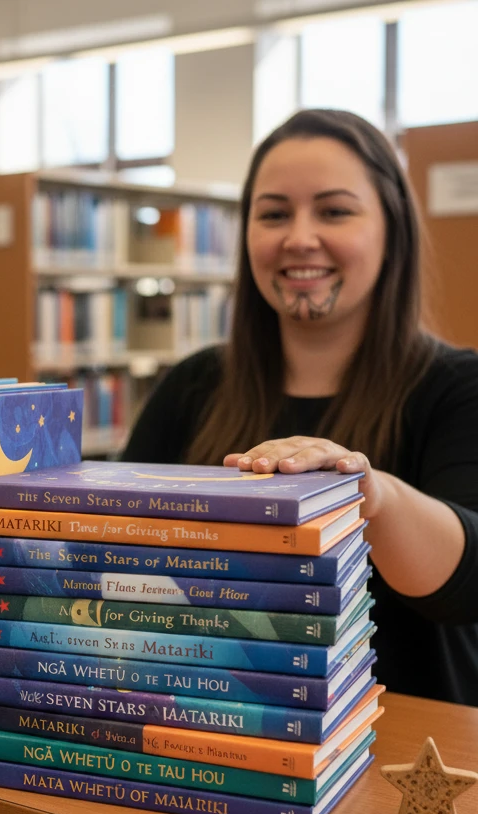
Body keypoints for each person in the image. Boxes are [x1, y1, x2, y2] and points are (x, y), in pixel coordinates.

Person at [121, 108, 478, 707]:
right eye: (274, 214)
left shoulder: (457, 387)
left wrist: (371, 496)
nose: (299, 237)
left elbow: (465, 590)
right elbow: (124, 553)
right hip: (213, 723)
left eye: (334, 211)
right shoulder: (191, 386)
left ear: (391, 228)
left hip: (401, 742)